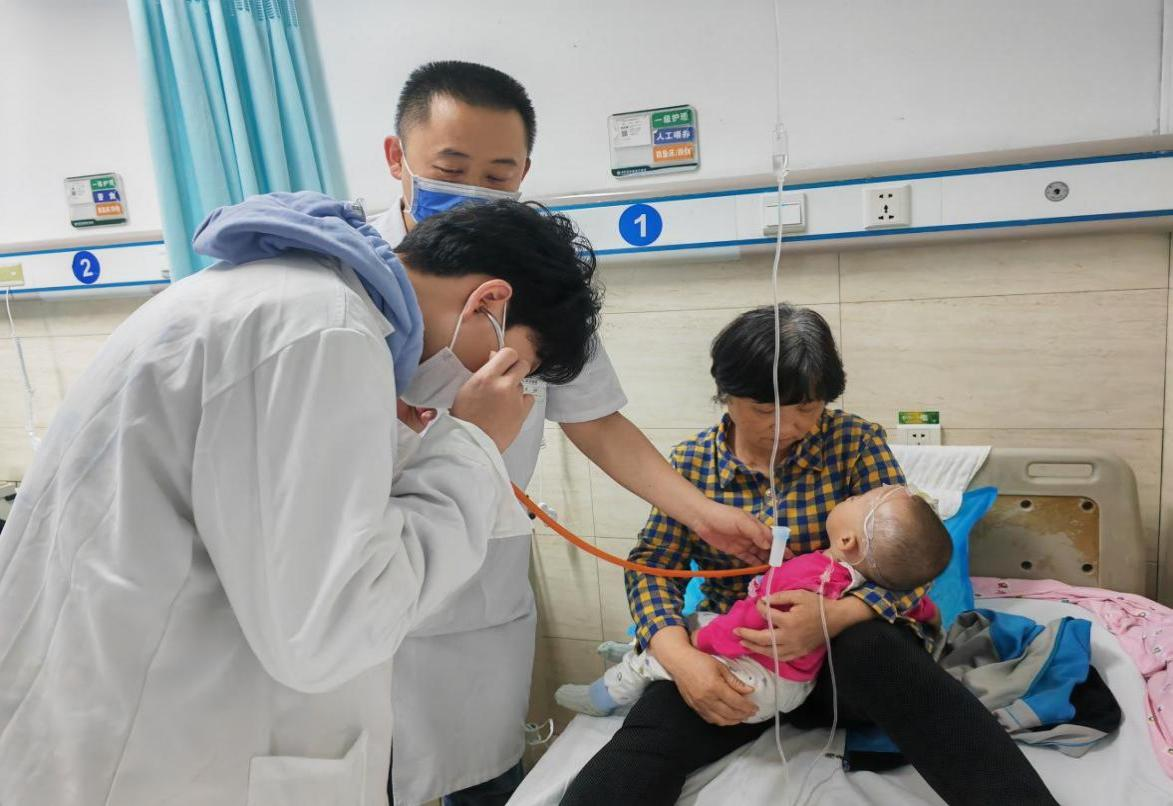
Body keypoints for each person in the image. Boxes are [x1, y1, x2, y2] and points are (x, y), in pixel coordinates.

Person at [0, 191, 602, 806]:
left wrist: (404, 445)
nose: (491, 387)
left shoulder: (287, 302)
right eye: (509, 368)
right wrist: (473, 447)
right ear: (488, 302)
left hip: (134, 724)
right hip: (149, 755)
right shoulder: (325, 330)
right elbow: (330, 627)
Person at [373, 61, 773, 806]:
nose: (474, 193)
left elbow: (593, 417)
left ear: (524, 173)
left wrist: (700, 513)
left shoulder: (539, 281)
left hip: (476, 571)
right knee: (366, 769)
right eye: (450, 171)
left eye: (498, 176)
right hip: (366, 566)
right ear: (397, 158)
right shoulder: (354, 285)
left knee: (481, 771)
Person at [560, 305, 1059, 806]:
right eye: (765, 410)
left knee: (876, 648)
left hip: (846, 668)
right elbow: (652, 567)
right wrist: (681, 658)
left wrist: (832, 617)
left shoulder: (853, 443)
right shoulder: (691, 465)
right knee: (652, 734)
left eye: (808, 407)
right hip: (741, 664)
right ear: (726, 394)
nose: (789, 427)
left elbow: (910, 561)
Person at [556, 485, 951, 722]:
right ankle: (635, 646)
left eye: (857, 498)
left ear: (847, 541)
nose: (852, 495)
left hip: (757, 682)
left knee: (667, 653)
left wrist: (702, 644)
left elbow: (745, 624)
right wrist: (931, 616)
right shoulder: (857, 580)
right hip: (792, 684)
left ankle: (608, 693)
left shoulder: (808, 574)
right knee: (690, 618)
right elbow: (912, 605)